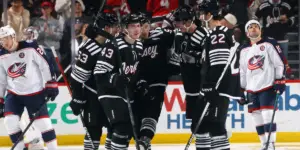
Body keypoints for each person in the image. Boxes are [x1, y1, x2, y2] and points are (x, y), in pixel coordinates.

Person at [0, 25, 59, 150]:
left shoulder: (30, 47)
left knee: (43, 124)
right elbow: (1, 80)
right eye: (1, 40)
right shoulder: (1, 56)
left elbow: (45, 64)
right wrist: (0, 98)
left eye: (6, 38)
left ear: (13, 36)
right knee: (9, 121)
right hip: (14, 94)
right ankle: (20, 148)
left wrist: (51, 83)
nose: (3, 42)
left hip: (35, 92)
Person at [193, 0, 242, 149]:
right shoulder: (216, 33)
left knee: (214, 127)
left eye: (202, 14)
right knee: (203, 127)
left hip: (216, 86)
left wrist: (209, 85)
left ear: (209, 14)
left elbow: (220, 64)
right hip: (217, 86)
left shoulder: (218, 32)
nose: (200, 17)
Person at [68, 13, 119, 150]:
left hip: (111, 95)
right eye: (114, 27)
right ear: (106, 28)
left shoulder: (115, 44)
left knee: (115, 130)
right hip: (94, 96)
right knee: (93, 131)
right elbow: (77, 79)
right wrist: (78, 99)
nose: (117, 30)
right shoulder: (89, 49)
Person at [93, 13, 143, 150]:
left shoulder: (139, 46)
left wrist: (140, 83)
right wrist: (115, 78)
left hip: (125, 93)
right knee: (122, 126)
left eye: (138, 26)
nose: (137, 29)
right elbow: (99, 72)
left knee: (127, 131)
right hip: (109, 92)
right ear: (125, 28)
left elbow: (136, 72)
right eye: (132, 26)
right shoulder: (114, 44)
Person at [238, 20, 286, 150]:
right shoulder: (243, 50)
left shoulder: (269, 43)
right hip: (251, 89)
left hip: (267, 85)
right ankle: (264, 144)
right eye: (250, 27)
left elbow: (279, 63)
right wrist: (241, 90)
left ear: (260, 30)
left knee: (267, 114)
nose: (253, 28)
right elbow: (242, 71)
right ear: (247, 33)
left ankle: (271, 145)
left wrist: (279, 79)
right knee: (256, 117)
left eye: (256, 26)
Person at [136, 12, 180, 150]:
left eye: (144, 26)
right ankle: (142, 140)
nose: (141, 30)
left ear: (148, 26)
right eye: (138, 26)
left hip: (158, 81)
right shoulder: (132, 42)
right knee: (138, 115)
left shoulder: (160, 34)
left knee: (152, 110)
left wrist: (175, 59)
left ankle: (145, 139)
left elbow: (178, 35)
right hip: (138, 83)